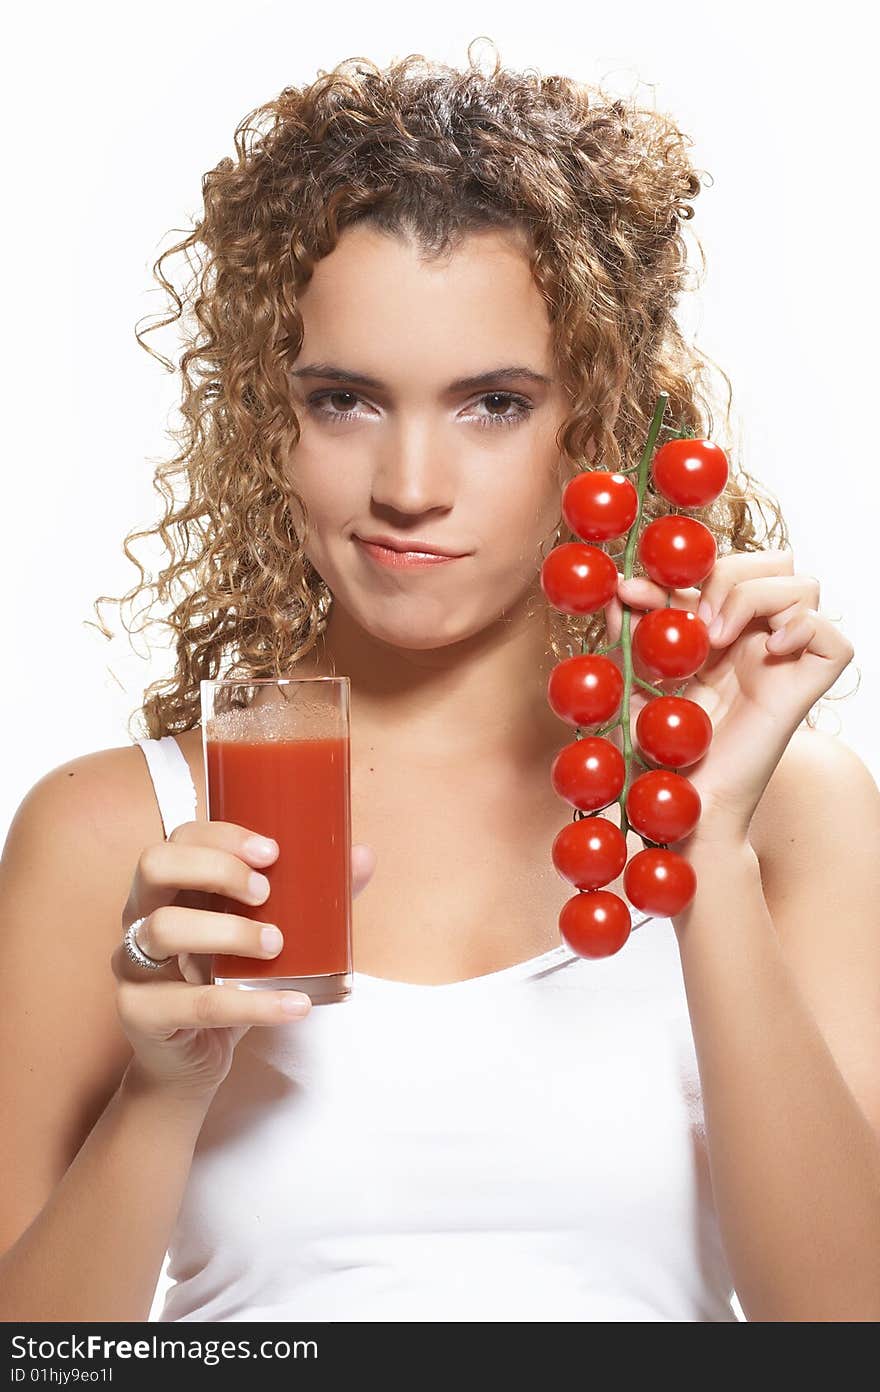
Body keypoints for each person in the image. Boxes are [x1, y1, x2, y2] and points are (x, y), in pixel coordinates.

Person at [1, 42, 878, 1325]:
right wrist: (164, 1090)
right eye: (347, 399)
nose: (409, 484)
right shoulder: (113, 835)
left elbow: (841, 1330)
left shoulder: (792, 812)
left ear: (598, 418)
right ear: (270, 422)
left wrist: (710, 852)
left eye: (492, 404)